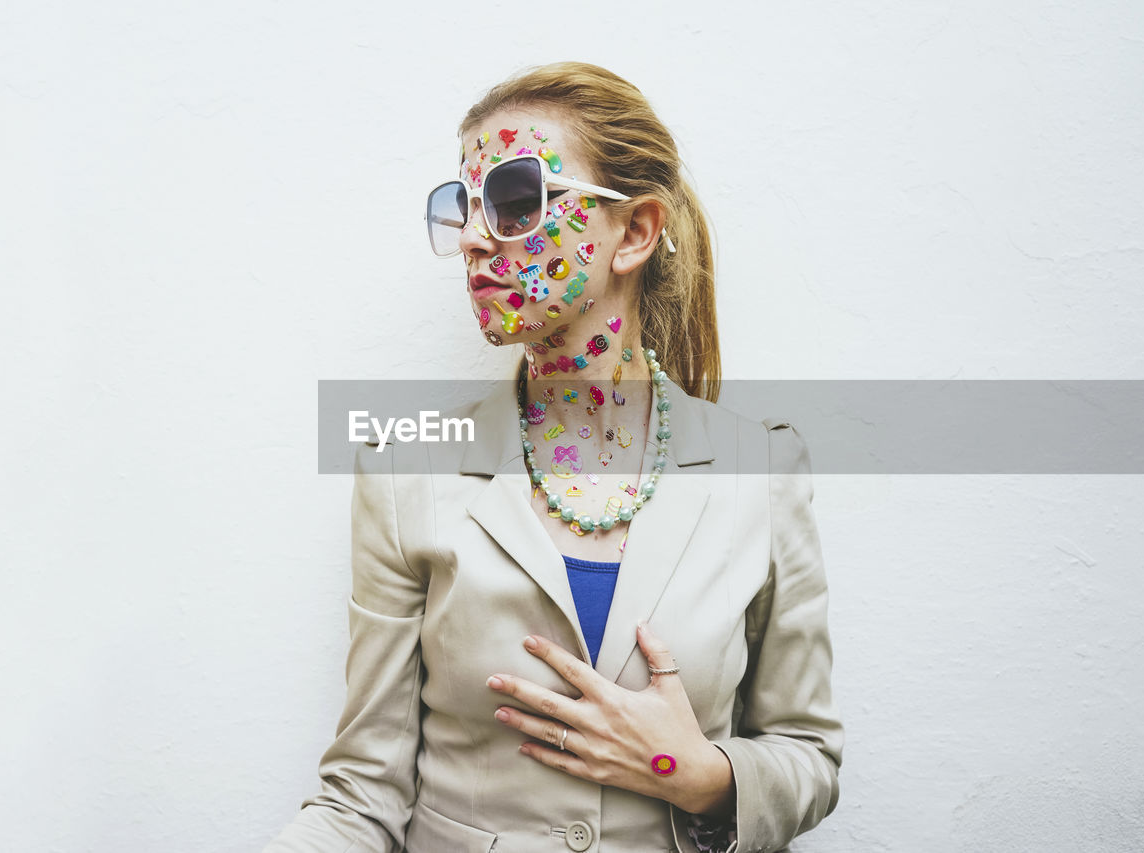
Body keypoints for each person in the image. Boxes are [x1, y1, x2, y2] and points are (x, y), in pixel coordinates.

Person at [265, 61, 843, 853]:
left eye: (512, 200)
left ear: (634, 231)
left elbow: (807, 756)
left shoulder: (762, 474)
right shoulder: (406, 473)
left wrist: (693, 771)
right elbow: (362, 795)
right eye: (465, 206)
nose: (473, 236)